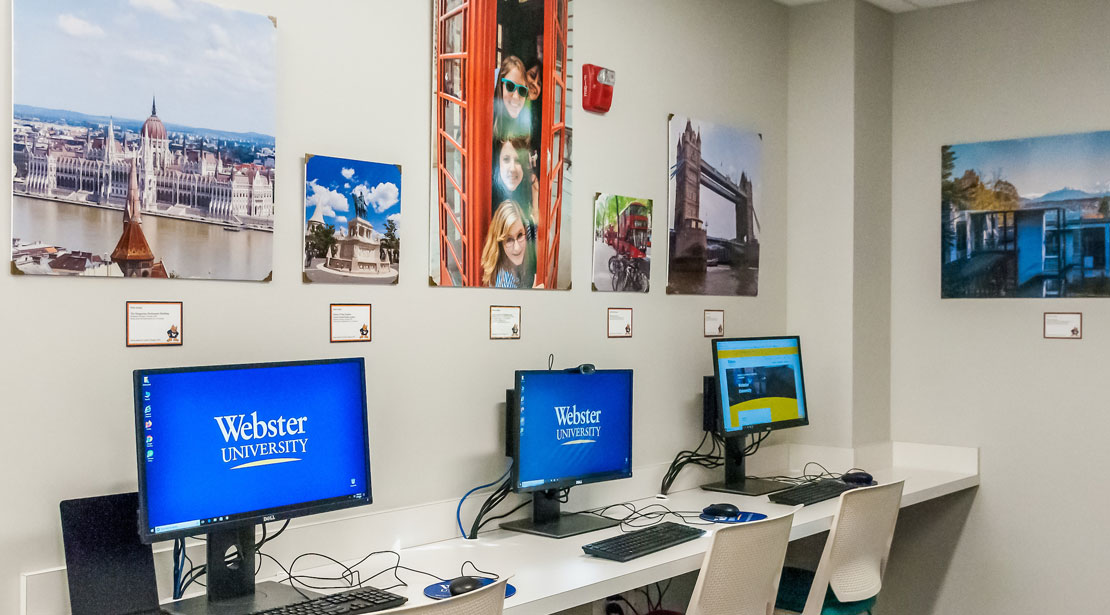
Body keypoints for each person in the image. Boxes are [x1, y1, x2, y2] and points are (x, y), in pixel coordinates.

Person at [492, 137, 538, 285]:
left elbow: (538, 232)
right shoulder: (489, 195)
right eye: (506, 159)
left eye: (518, 160)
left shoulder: (529, 186)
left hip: (528, 272)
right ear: (497, 162)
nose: (512, 168)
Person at [481, 200, 530, 288]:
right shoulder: (505, 283)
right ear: (500, 243)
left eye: (519, 235)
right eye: (509, 240)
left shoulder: (526, 228)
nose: (517, 248)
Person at [493, 55, 532, 142]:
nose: (515, 97)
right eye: (510, 86)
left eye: (522, 90)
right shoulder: (488, 123)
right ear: (500, 85)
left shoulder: (526, 127)